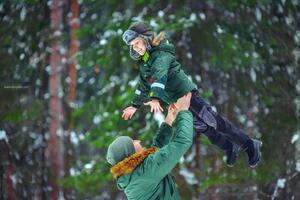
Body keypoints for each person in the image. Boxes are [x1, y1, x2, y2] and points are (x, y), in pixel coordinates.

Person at [121, 21, 262, 168]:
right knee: (203, 127)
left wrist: (155, 97)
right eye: (132, 45)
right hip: (179, 102)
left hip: (187, 95)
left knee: (214, 122)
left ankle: (250, 144)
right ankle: (229, 147)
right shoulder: (145, 62)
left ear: (146, 39)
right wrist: (134, 105)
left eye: (137, 42)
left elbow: (159, 75)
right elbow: (143, 85)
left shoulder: (160, 55)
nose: (135, 47)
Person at [107, 93, 193, 199]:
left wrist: (169, 118)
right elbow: (183, 142)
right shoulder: (146, 172)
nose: (138, 141)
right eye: (133, 142)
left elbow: (155, 150)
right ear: (130, 154)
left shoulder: (134, 174)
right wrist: (184, 111)